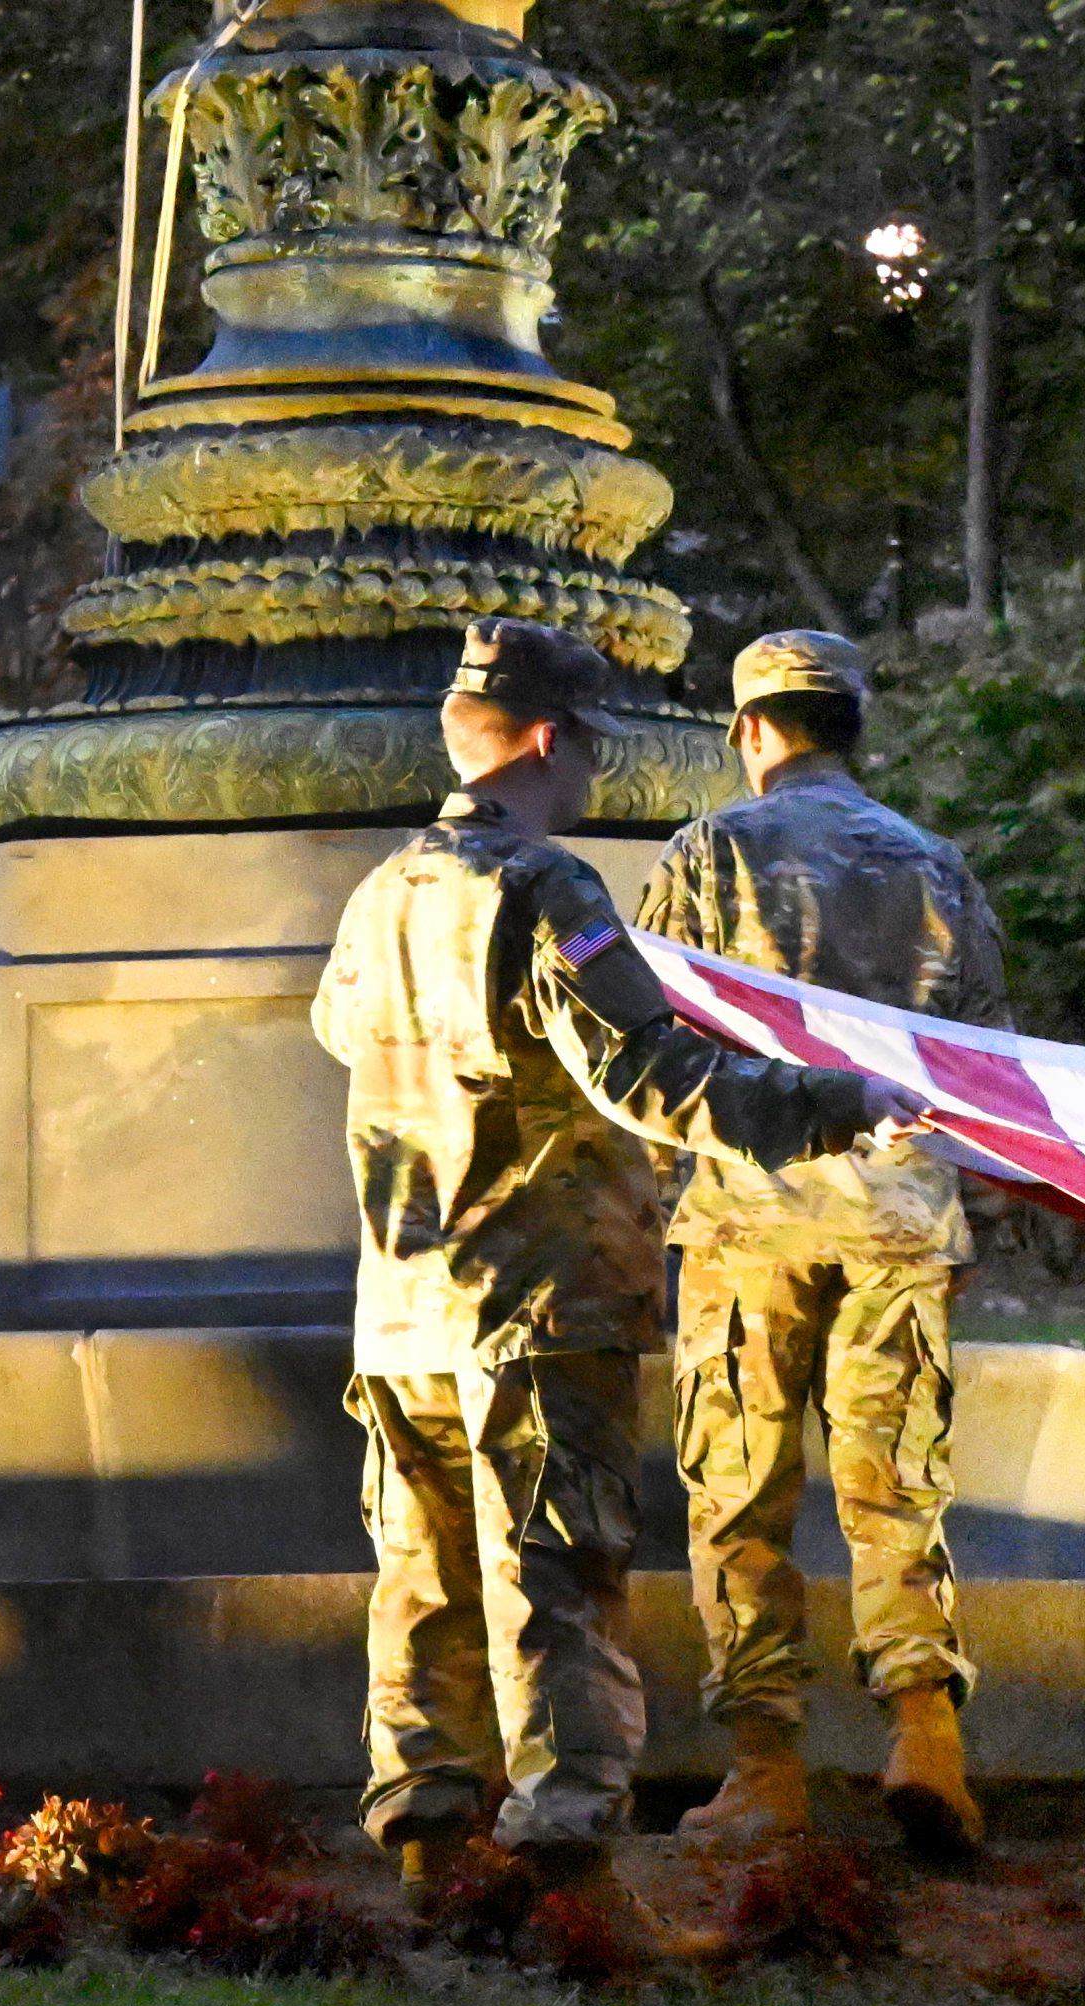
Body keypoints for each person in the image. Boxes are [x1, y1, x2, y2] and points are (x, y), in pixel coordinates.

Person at [311, 619, 901, 1888]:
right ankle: (560, 1856)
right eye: (586, 747)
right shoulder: (544, 887)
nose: (591, 776)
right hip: (536, 1292)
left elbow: (335, 1033)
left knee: (421, 1575)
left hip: (401, 1302)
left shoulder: (380, 894)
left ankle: (423, 1832)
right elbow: (648, 1074)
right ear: (543, 739)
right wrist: (835, 1103)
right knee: (556, 1574)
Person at [642, 629, 1012, 1863]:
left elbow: (659, 1040)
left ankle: (765, 1769)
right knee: (895, 1487)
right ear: (854, 728)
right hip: (899, 1216)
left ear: (751, 731)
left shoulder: (707, 852)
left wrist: (655, 1193)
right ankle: (925, 1739)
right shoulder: (937, 866)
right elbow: (984, 1061)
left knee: (738, 1487)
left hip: (748, 1215)